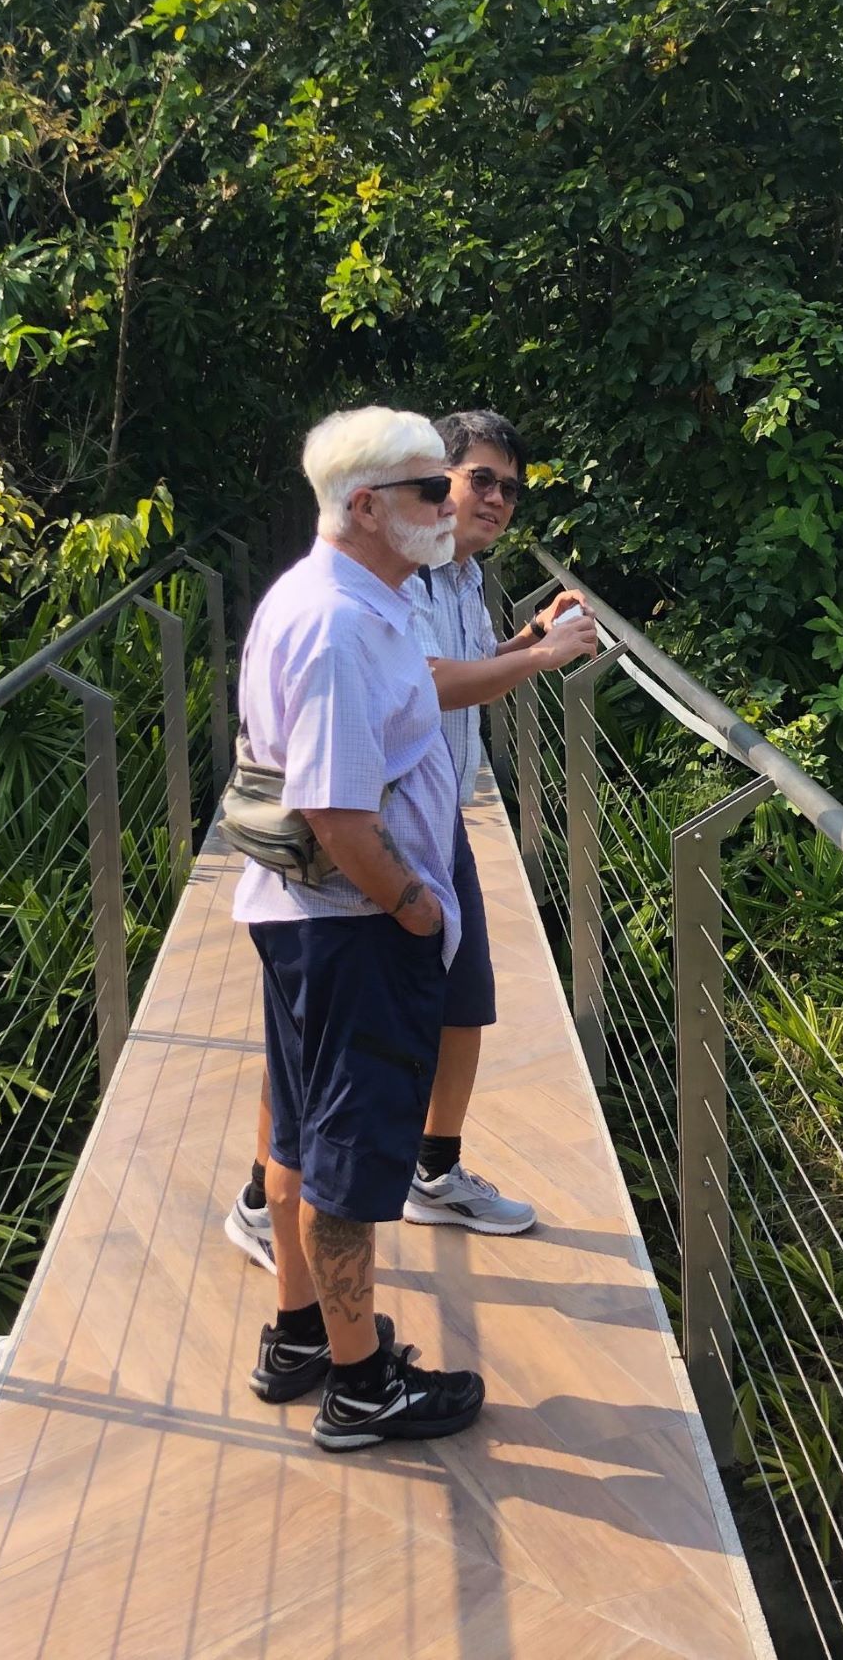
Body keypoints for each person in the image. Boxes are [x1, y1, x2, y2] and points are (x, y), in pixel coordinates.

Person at [225, 407, 595, 1268]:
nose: (493, 500)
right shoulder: (388, 583)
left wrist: (528, 638)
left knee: (463, 1001)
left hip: (430, 820)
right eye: (468, 482)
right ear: (386, 498)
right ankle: (271, 1204)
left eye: (511, 485)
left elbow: (438, 681)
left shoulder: (455, 575)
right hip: (364, 855)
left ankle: (429, 1169)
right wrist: (409, 901)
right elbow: (424, 687)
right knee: (321, 1051)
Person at [233, 405, 484, 1451]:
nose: (451, 506)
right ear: (369, 506)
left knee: (298, 1136)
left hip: (305, 923)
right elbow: (336, 814)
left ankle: (299, 1332)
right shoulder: (341, 626)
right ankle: (360, 1385)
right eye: (434, 490)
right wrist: (416, 909)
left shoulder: (335, 597)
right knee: (346, 1157)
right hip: (353, 929)